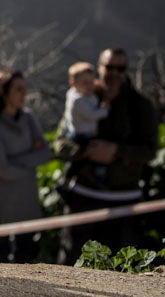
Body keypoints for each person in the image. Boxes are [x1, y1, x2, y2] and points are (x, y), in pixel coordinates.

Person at [55, 48, 159, 262]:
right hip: (83, 195)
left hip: (123, 200)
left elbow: (149, 150)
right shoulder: (82, 98)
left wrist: (116, 152)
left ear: (125, 71)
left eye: (119, 68)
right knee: (70, 261)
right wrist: (86, 152)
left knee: (118, 266)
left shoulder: (141, 106)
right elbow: (60, 143)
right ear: (100, 67)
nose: (114, 73)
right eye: (109, 67)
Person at [0, 70, 50, 263]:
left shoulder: (28, 118)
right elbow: (1, 168)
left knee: (25, 257)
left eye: (24, 89)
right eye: (18, 89)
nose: (23, 94)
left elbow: (45, 153)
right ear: (4, 92)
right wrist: (30, 161)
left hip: (26, 202)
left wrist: (17, 161)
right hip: (2, 206)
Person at [62, 61, 109, 185]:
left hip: (79, 130)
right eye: (84, 83)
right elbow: (91, 115)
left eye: (91, 82)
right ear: (73, 83)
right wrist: (104, 110)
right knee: (82, 159)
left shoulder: (79, 93)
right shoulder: (77, 101)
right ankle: (69, 178)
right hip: (82, 135)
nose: (89, 86)